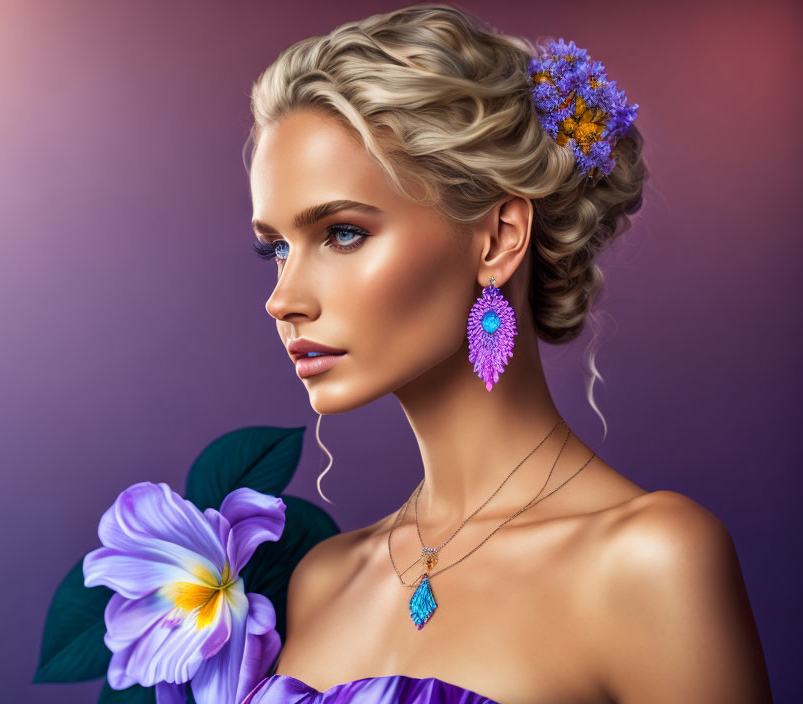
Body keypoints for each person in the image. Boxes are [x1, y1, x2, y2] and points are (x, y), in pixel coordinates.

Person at [240, 4, 772, 703]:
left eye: (341, 234)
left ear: (496, 240)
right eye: (276, 248)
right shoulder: (321, 579)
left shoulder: (649, 561)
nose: (284, 298)